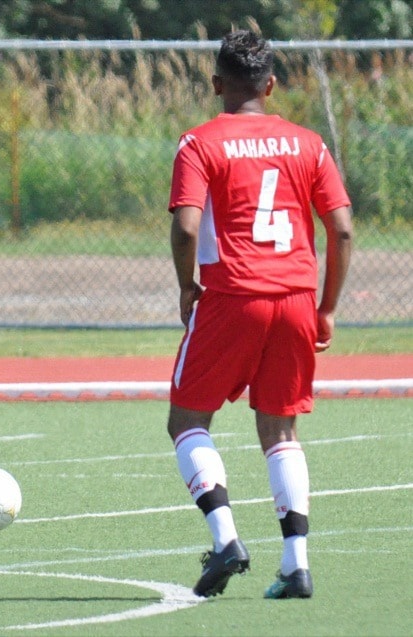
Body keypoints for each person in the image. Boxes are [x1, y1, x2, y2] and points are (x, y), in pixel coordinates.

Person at [166, 30, 352, 599]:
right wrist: (326, 307)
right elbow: (341, 228)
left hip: (231, 298)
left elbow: (185, 226)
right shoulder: (309, 143)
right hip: (296, 299)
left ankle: (225, 539)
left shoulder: (199, 142)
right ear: (270, 85)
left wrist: (186, 287)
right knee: (280, 431)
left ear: (217, 84)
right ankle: (295, 565)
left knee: (187, 422)